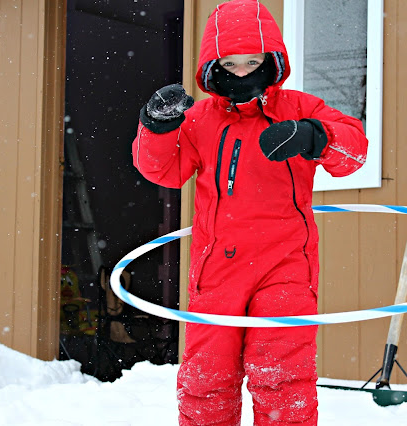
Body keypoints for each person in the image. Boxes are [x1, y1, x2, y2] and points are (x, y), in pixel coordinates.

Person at [132, 1, 368, 424]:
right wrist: (156, 126)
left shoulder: (300, 109)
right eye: (230, 64)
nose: (241, 73)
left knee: (282, 378)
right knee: (206, 381)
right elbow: (162, 170)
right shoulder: (200, 119)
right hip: (216, 271)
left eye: (252, 62)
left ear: (271, 59)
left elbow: (354, 151)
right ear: (213, 66)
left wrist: (315, 136)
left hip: (285, 267)